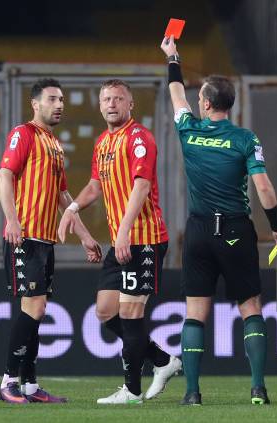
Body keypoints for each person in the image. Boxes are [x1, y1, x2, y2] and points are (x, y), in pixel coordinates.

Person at [160, 36, 277, 406]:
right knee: (250, 308)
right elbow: (263, 188)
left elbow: (175, 93)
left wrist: (173, 57)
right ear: (228, 105)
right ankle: (258, 389)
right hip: (235, 230)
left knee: (195, 313)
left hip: (199, 231)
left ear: (204, 103)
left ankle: (191, 393)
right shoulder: (246, 139)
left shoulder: (189, 130)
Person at [57, 79, 181, 404]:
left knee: (129, 314)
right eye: (106, 99)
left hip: (144, 240)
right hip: (121, 241)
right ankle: (163, 361)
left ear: (130, 105)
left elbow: (141, 187)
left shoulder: (140, 138)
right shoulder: (102, 143)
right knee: (104, 310)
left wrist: (123, 232)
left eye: (118, 98)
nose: (111, 104)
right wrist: (72, 207)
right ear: (100, 105)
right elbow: (96, 186)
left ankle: (132, 391)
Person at [0, 78, 102, 403]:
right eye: (53, 99)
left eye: (62, 100)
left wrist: (84, 235)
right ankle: (8, 382)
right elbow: (4, 175)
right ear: (36, 104)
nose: (59, 105)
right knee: (34, 307)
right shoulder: (23, 134)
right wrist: (12, 220)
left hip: (44, 242)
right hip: (24, 237)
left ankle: (29, 386)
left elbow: (62, 195)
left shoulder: (54, 145)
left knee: (38, 312)